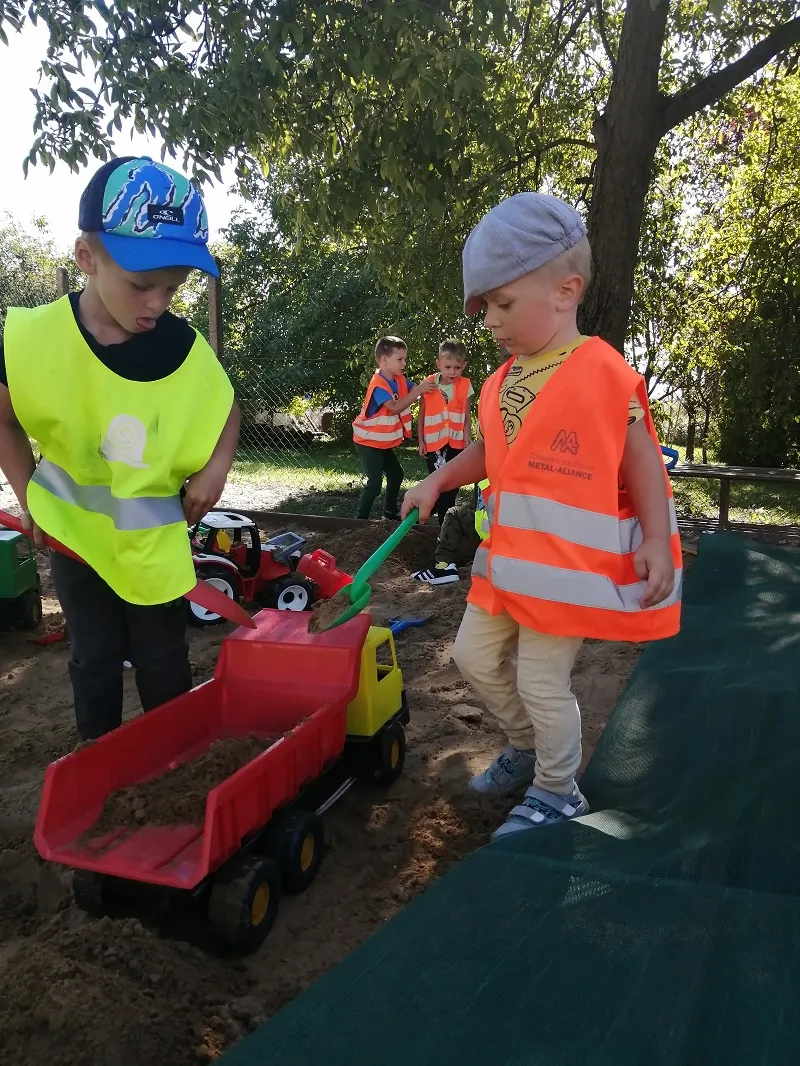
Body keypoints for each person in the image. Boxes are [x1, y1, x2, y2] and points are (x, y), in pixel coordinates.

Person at [401, 192, 682, 839]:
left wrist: (657, 540)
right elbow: (490, 449)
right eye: (484, 310)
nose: (491, 322)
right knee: (471, 657)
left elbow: (641, 456)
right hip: (504, 562)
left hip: (562, 571)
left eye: (502, 304)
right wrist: (438, 477)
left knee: (540, 678)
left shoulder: (601, 371)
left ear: (565, 291)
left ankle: (558, 790)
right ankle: (527, 747)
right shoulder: (502, 380)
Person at [0, 156, 239, 741]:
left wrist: (215, 470)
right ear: (87, 257)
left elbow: (226, 406)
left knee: (163, 658)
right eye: (141, 285)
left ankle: (175, 763)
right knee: (93, 657)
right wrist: (28, 498)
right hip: (76, 541)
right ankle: (98, 757)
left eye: (172, 287)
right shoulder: (34, 341)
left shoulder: (179, 347)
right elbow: (4, 421)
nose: (157, 303)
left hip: (152, 544)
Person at [353, 336, 434, 520]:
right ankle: (360, 519)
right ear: (384, 360)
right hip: (367, 442)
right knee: (375, 484)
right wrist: (419, 390)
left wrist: (429, 386)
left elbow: (417, 389)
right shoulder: (378, 386)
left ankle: (389, 512)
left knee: (396, 474)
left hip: (381, 443)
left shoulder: (400, 380)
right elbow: (395, 407)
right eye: (400, 359)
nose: (404, 363)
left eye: (405, 358)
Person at [417, 339, 474, 524]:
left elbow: (467, 414)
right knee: (437, 482)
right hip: (434, 444)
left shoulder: (465, 385)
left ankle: (444, 522)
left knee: (452, 485)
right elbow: (421, 414)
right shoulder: (428, 384)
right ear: (438, 364)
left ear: (463, 365)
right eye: (448, 367)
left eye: (457, 367)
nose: (452, 372)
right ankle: (436, 516)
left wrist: (467, 436)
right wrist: (421, 441)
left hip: (456, 443)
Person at [412, 479, 489, 584]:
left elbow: (459, 473)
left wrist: (431, 485)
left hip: (492, 533)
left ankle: (444, 566)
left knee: (455, 514)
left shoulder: (495, 471)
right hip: (502, 537)